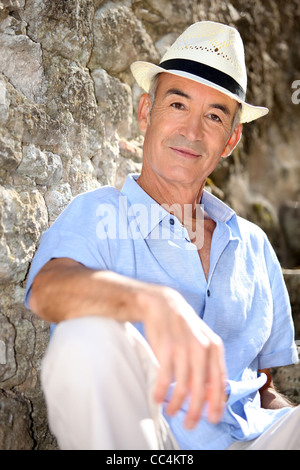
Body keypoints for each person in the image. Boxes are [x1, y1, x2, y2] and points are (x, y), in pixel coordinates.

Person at [25, 21, 299, 450]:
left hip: (254, 439)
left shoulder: (254, 245)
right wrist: (152, 301)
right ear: (144, 112)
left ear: (231, 139)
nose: (192, 132)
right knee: (85, 336)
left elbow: (262, 387)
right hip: (151, 444)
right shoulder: (99, 213)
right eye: (177, 105)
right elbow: (46, 290)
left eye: (214, 116)